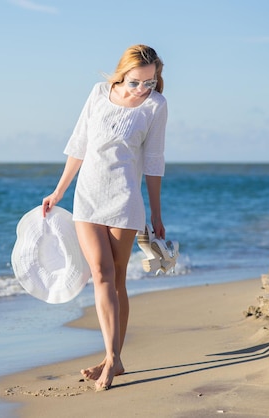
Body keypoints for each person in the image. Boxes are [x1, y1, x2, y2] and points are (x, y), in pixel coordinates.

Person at [42, 44, 168, 391]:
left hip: (125, 200)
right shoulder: (99, 94)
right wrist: (58, 191)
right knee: (101, 272)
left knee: (117, 280)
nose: (142, 89)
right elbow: (79, 144)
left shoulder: (156, 106)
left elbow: (154, 160)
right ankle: (113, 357)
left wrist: (156, 212)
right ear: (122, 74)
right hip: (88, 197)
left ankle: (114, 358)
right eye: (135, 82)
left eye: (150, 82)